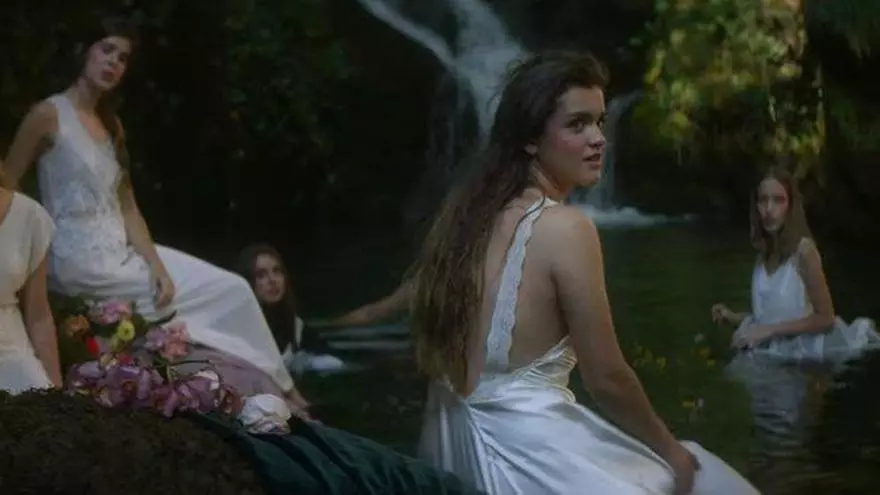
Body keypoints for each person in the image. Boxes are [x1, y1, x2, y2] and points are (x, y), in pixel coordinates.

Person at [1, 16, 308, 411]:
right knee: (186, 307)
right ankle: (286, 396)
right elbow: (8, 183)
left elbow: (128, 207)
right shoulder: (47, 114)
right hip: (78, 261)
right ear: (84, 52)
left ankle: (285, 385)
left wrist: (156, 264)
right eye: (106, 50)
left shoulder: (111, 125)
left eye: (122, 58)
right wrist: (21, 254)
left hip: (122, 252)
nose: (113, 63)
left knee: (233, 288)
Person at [712, 166, 880, 488]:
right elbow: (770, 313)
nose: (769, 209)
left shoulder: (804, 252)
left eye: (778, 200)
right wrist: (733, 317)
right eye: (763, 200)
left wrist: (767, 332)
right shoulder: (763, 255)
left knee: (779, 420)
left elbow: (825, 317)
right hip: (776, 350)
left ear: (790, 206)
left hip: (810, 352)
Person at [236, 243, 347, 375]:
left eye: (277, 271)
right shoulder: (236, 330)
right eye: (261, 275)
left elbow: (335, 362)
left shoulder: (295, 327)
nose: (272, 280)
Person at [0, 163, 63, 393]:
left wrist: (57, 390)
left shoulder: (29, 216)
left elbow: (39, 314)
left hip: (10, 349)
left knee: (39, 402)